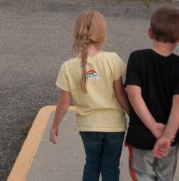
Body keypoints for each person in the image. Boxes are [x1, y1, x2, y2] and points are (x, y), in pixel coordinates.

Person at [49, 9, 130, 181]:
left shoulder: (68, 67)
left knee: (92, 164)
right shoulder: (112, 59)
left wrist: (55, 125)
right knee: (110, 167)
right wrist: (135, 117)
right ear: (102, 34)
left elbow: (63, 104)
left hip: (88, 127)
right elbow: (121, 95)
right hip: (114, 126)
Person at [125, 7, 179, 181]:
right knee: (165, 176)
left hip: (141, 135)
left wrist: (153, 125)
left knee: (142, 175)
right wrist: (167, 135)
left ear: (150, 33)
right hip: (170, 136)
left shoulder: (136, 58)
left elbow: (133, 94)